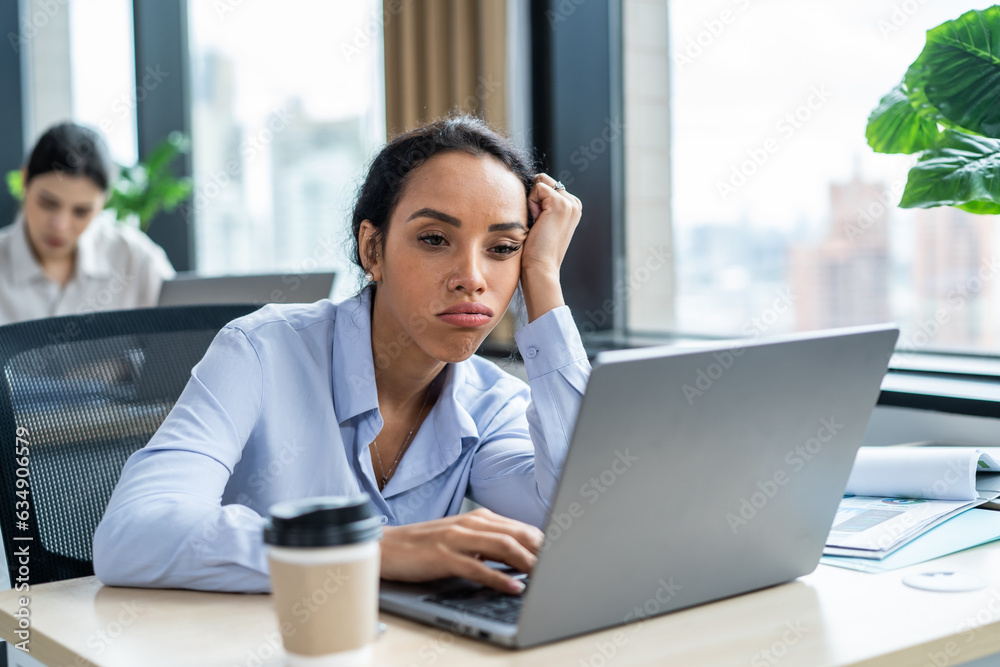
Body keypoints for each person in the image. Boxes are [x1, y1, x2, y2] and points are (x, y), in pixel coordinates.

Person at [93, 115, 589, 595]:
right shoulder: (262, 352)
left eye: (503, 248)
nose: (472, 278)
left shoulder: (492, 404)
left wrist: (544, 277)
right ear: (373, 250)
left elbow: (577, 517)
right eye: (435, 239)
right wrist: (370, 550)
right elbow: (133, 534)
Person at [0, 122, 175, 325]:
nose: (60, 225)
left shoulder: (135, 259)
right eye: (48, 204)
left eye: (81, 211)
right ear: (24, 181)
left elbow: (185, 342)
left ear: (105, 200)